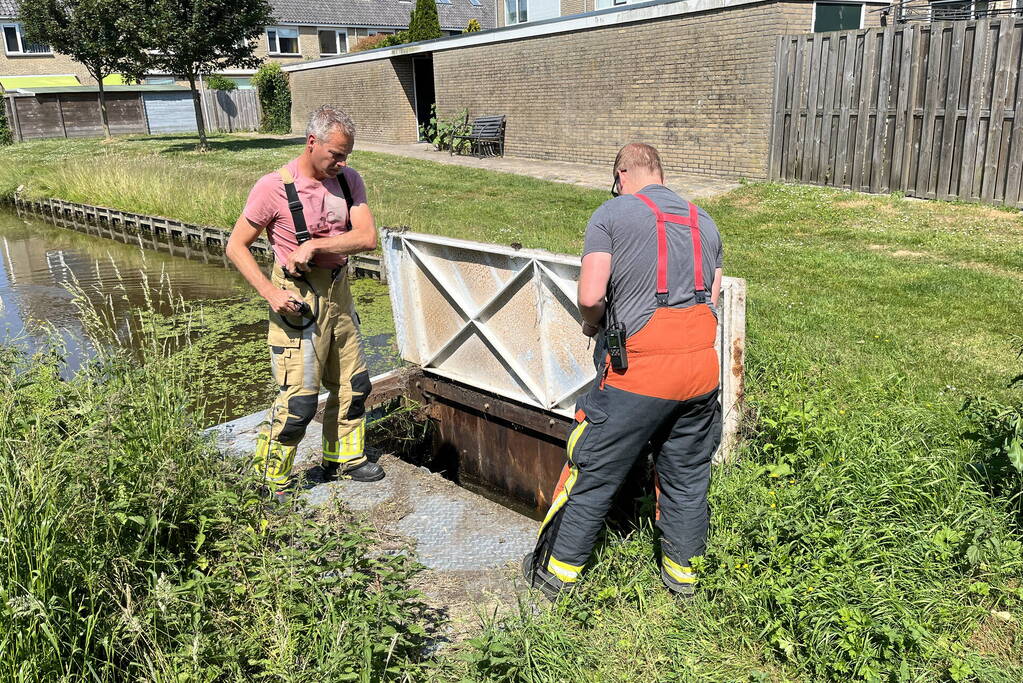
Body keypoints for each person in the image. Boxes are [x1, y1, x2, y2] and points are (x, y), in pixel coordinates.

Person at [523, 143, 723, 600]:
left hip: (640, 375)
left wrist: (592, 325)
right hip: (701, 373)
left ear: (621, 175)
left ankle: (554, 580)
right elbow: (709, 297)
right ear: (661, 174)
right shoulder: (704, 220)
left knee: (592, 472)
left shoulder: (610, 215)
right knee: (687, 478)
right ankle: (683, 582)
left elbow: (592, 295)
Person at [226, 105, 384, 503]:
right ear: (312, 143)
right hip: (296, 300)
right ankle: (269, 477)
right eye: (335, 154)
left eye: (347, 155)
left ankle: (344, 457)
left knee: (354, 384)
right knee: (299, 399)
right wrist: (271, 294)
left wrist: (314, 244)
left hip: (339, 292)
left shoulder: (349, 181)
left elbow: (366, 238)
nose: (342, 162)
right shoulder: (273, 187)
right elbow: (236, 246)